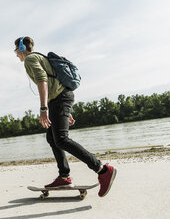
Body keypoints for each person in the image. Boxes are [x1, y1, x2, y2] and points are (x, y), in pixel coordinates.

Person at [14, 36, 117, 197]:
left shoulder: (31, 59)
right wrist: (65, 111)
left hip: (59, 100)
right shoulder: (40, 57)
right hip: (60, 99)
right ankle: (64, 176)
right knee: (52, 137)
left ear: (21, 49)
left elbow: (43, 80)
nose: (16, 54)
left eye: (16, 51)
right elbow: (54, 83)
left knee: (61, 138)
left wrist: (43, 108)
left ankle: (102, 170)